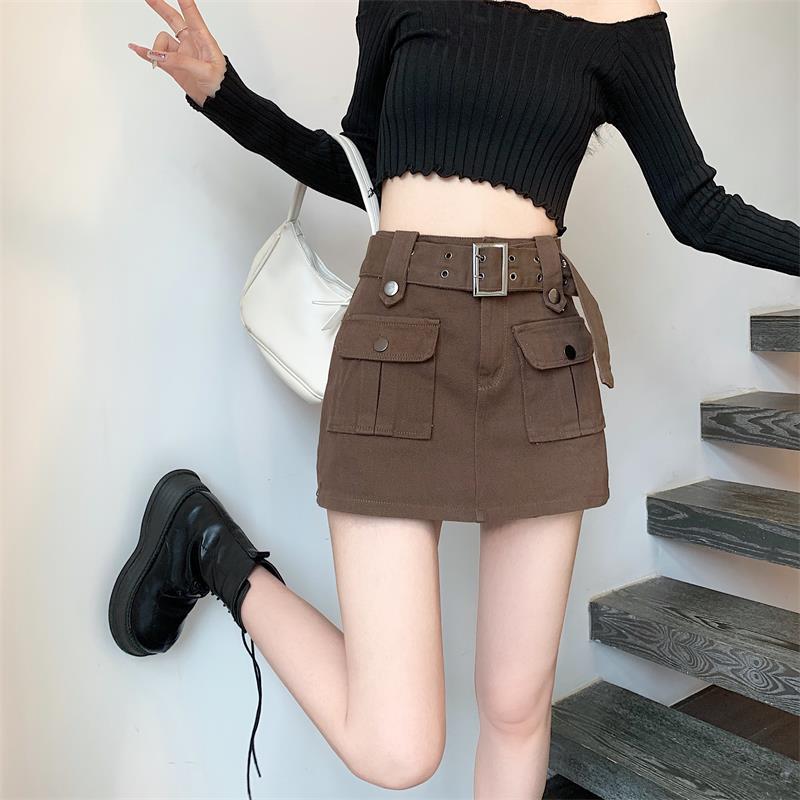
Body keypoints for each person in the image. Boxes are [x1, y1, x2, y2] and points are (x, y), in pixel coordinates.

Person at [110, 1, 799, 799]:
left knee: (516, 707)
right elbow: (357, 168)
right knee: (396, 748)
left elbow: (697, 207)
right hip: (396, 342)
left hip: (541, 357)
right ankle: (206, 544)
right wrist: (224, 94)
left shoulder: (627, 21)